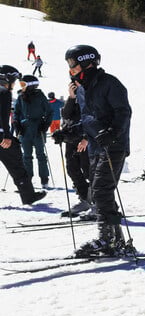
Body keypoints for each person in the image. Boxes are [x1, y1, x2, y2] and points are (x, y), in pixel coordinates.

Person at [64, 45, 132, 256]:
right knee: (100, 192)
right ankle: (116, 240)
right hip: (95, 147)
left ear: (86, 62)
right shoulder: (83, 88)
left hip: (113, 145)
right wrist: (69, 133)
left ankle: (107, 239)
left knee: (102, 190)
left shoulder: (109, 83)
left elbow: (123, 112)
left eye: (72, 64)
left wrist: (113, 131)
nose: (70, 69)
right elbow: (87, 120)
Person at [0, 65, 45, 205]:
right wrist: (7, 135)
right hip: (1, 137)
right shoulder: (4, 92)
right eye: (14, 80)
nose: (14, 85)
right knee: (16, 165)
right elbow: (3, 116)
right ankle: (28, 196)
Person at [52, 79, 91, 216]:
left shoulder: (90, 96)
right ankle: (85, 199)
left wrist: (86, 138)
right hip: (72, 140)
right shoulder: (73, 99)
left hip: (87, 140)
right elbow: (66, 115)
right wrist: (71, 96)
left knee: (90, 171)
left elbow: (91, 120)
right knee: (72, 169)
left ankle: (101, 204)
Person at [13, 75, 52, 189]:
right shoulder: (21, 96)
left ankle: (44, 178)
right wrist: (16, 122)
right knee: (26, 156)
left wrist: (45, 125)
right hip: (25, 130)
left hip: (38, 129)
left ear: (31, 85)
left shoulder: (40, 96)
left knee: (40, 155)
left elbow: (49, 112)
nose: (21, 87)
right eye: (21, 84)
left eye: (23, 84)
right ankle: (28, 179)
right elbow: (16, 111)